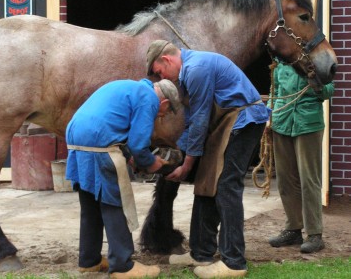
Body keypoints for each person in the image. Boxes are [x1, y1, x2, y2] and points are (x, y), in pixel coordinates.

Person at [147, 40, 270, 279]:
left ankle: (234, 262)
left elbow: (201, 120)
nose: (162, 78)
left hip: (242, 121)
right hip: (225, 123)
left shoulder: (196, 69)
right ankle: (201, 252)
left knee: (226, 186)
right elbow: (194, 121)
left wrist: (186, 166)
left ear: (167, 60)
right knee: (206, 183)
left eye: (159, 72)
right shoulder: (188, 73)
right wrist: (179, 154)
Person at [65, 78, 181, 278]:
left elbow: (114, 123)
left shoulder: (129, 87)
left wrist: (129, 157)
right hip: (98, 142)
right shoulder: (149, 99)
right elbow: (138, 144)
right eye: (166, 112)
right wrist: (151, 162)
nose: (162, 116)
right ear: (164, 103)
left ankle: (89, 260)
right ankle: (122, 265)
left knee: (91, 204)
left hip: (77, 138)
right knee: (114, 204)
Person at [267, 60, 334, 253]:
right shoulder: (281, 61)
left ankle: (315, 234)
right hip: (281, 122)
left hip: (308, 124)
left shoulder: (318, 60)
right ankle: (293, 229)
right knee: (285, 180)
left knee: (309, 180)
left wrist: (316, 83)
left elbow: (329, 91)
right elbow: (275, 89)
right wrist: (269, 116)